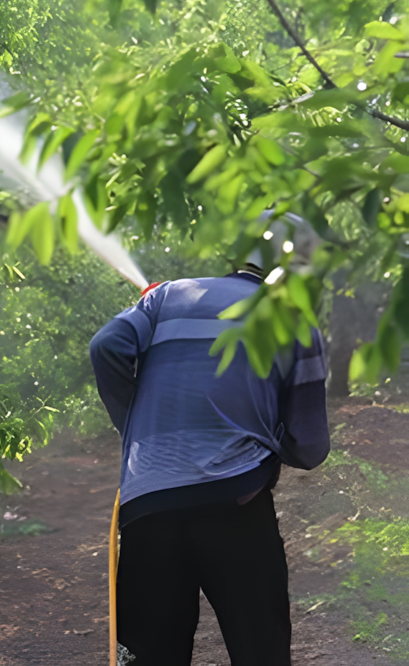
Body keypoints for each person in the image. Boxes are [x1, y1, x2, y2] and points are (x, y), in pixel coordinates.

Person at [89, 214, 330, 666]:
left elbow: (105, 347)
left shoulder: (165, 295)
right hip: (236, 506)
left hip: (150, 504)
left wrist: (138, 426)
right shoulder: (295, 321)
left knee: (148, 656)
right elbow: (310, 447)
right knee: (261, 651)